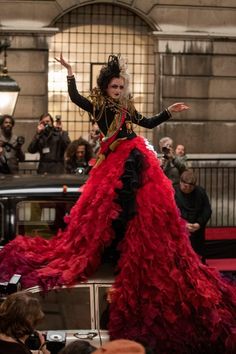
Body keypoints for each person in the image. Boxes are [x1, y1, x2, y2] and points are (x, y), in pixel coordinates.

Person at [0, 54, 236, 353]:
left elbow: (147, 122)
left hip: (135, 154)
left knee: (142, 207)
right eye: (114, 85)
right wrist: (70, 73)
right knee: (110, 206)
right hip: (116, 159)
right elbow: (75, 98)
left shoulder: (126, 107)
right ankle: (112, 245)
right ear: (106, 86)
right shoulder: (97, 105)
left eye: (121, 85)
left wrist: (168, 111)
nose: (119, 89)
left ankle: (129, 241)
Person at [175, 169, 212, 259]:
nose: (187, 189)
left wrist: (199, 223)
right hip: (178, 229)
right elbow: (170, 212)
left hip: (197, 228)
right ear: (180, 182)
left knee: (198, 255)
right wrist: (183, 224)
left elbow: (207, 210)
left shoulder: (200, 192)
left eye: (190, 187)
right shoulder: (173, 192)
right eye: (185, 186)